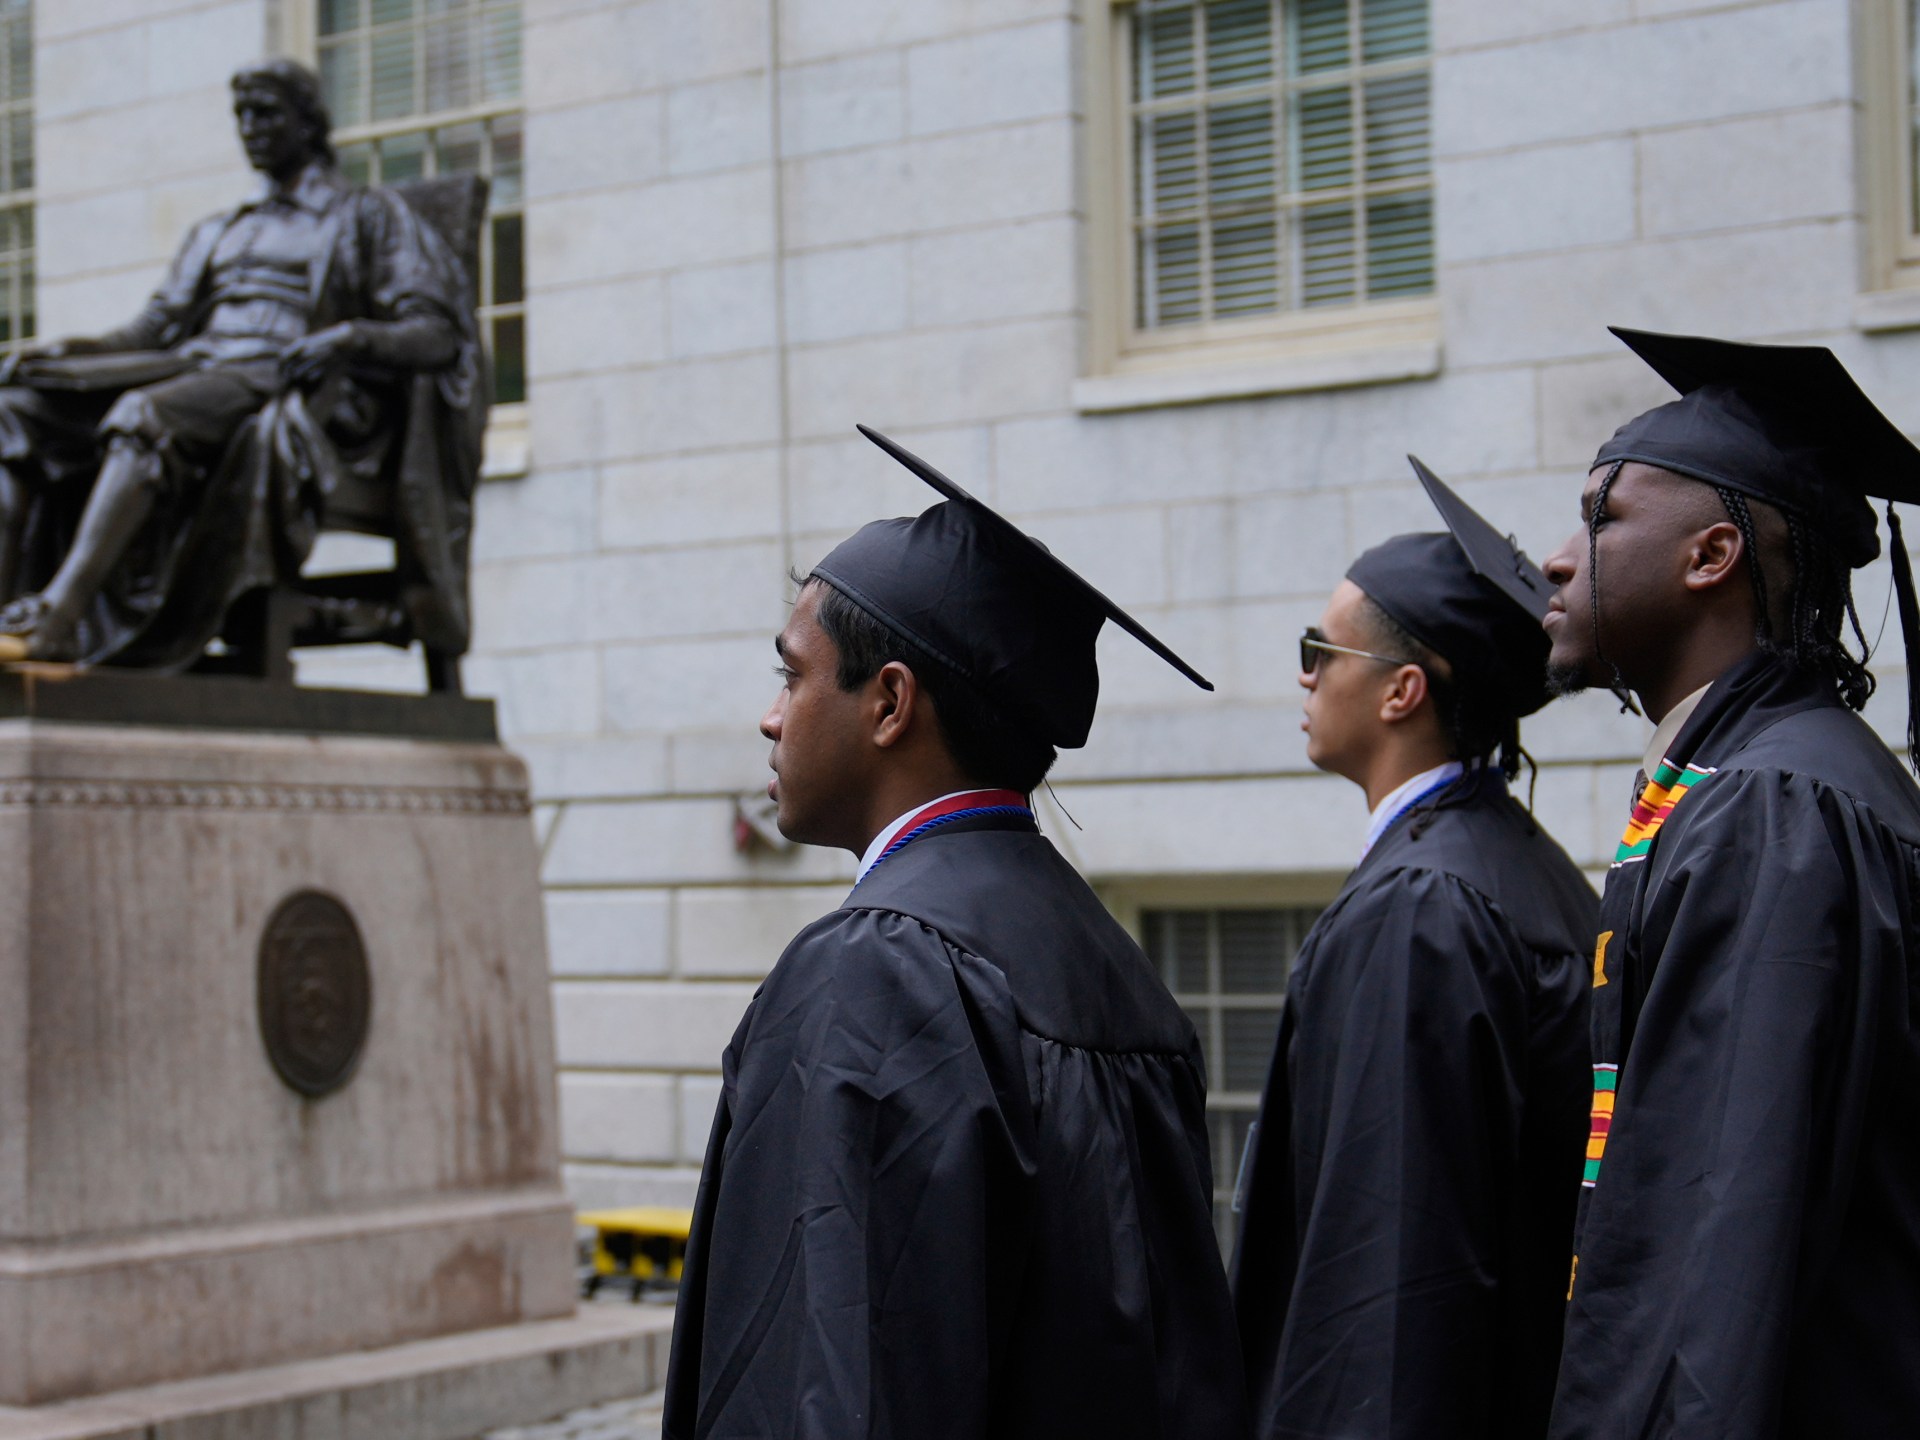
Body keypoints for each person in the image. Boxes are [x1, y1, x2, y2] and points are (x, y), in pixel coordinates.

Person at [661, 426, 1249, 1440]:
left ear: (890, 702)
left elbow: (833, 1386)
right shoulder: (1118, 969)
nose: (770, 717)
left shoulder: (877, 970)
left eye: (793, 676)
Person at [1540, 329, 1920, 1439]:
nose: (1557, 559)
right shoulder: (1770, 779)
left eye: (1602, 517)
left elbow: (1716, 1252)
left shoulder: (1774, 811)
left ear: (1710, 556)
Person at [1231, 457, 1596, 1440]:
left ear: (1401, 692)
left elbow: (1390, 1285)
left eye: (1320, 648)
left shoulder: (1422, 910)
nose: (1304, 673)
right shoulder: (1531, 872)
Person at [0, 59, 481, 669]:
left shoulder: (367, 214)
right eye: (242, 116)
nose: (250, 128)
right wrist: (71, 351)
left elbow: (437, 332)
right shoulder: (219, 230)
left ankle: (59, 617)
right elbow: (153, 328)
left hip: (284, 376)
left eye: (266, 113)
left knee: (144, 415)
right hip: (196, 369)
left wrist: (350, 339)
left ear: (309, 123)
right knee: (14, 412)